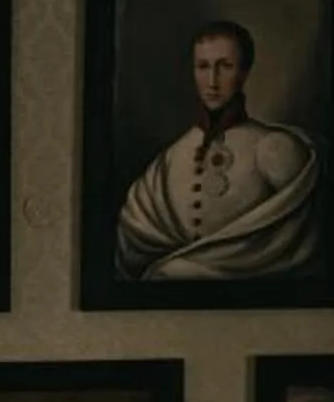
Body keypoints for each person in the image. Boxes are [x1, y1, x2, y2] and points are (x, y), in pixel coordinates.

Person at [113, 18, 321, 284]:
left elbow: (301, 244)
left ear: (244, 72)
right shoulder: (169, 160)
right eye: (203, 67)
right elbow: (133, 238)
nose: (212, 81)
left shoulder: (275, 148)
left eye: (225, 67)